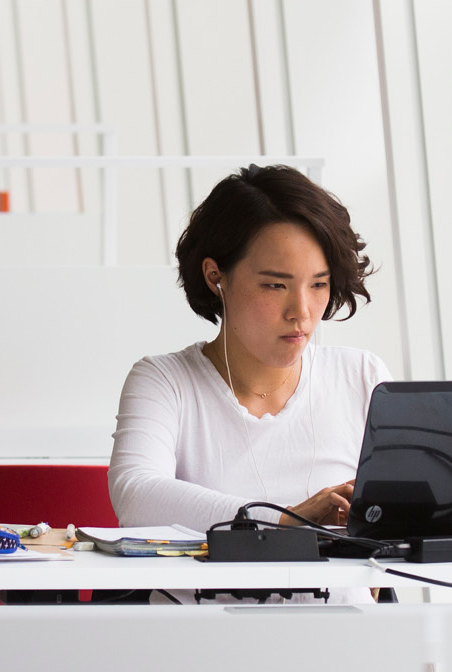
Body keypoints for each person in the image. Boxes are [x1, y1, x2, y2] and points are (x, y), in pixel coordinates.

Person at [109, 165, 392, 534]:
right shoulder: (166, 382)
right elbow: (137, 496)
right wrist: (284, 519)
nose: (302, 312)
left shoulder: (361, 376)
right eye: (276, 286)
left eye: (319, 284)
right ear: (216, 277)